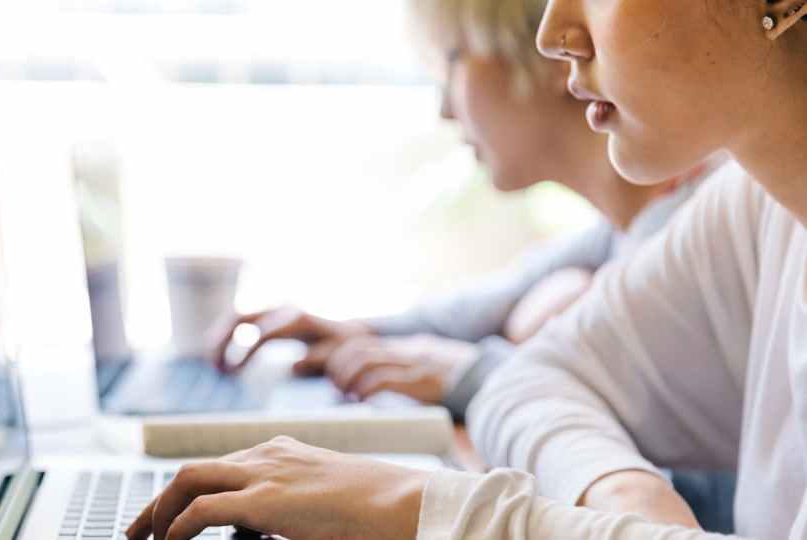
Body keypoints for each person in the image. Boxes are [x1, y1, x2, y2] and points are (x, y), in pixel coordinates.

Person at [124, 0, 807, 535]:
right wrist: (621, 496)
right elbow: (529, 380)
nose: (551, 34)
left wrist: (414, 508)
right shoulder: (759, 207)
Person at [207, 0, 710, 426]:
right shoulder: (629, 226)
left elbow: (640, 407)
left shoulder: (697, 234)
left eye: (454, 59)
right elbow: (485, 308)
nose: (445, 108)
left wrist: (465, 373)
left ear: (560, 56)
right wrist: (363, 333)